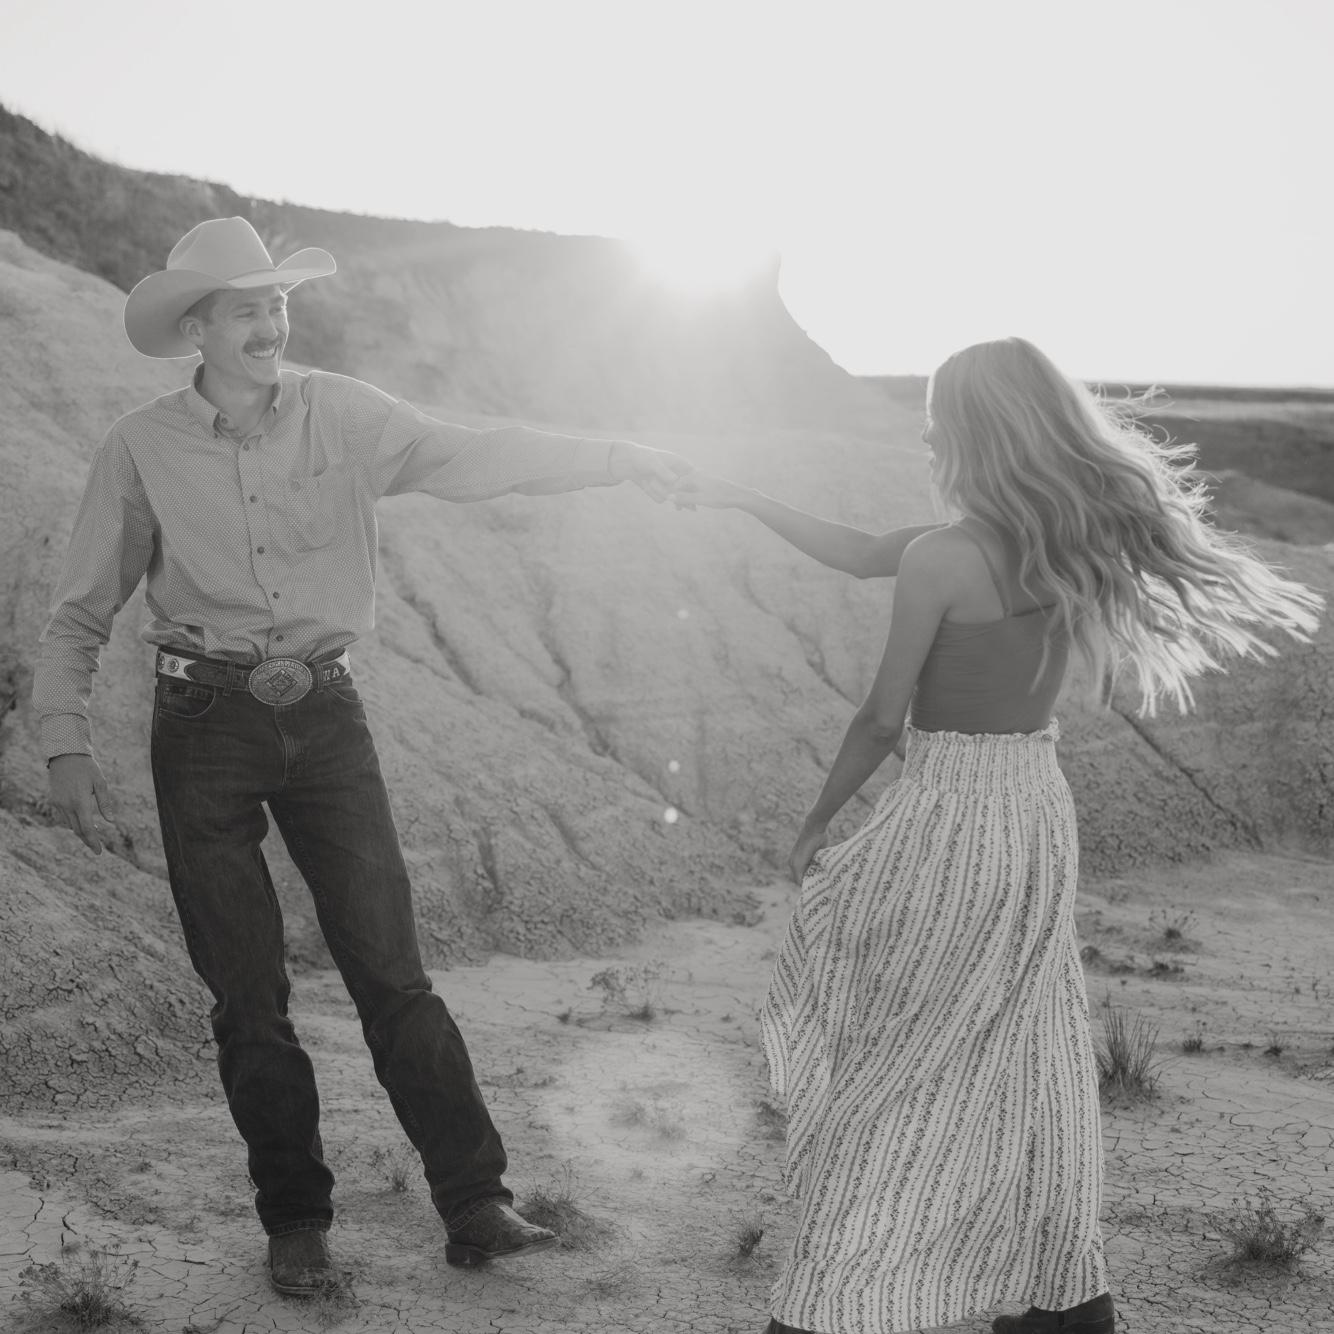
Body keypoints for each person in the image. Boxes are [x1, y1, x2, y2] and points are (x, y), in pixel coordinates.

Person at [33, 216, 692, 1297]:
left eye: (277, 305)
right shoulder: (139, 446)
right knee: (247, 993)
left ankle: (474, 1201)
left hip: (327, 716)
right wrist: (64, 742)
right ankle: (295, 1220)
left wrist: (615, 458)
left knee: (392, 970)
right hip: (202, 723)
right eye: (244, 310)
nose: (269, 325)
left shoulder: (344, 412)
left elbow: (476, 452)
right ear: (197, 328)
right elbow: (80, 609)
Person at [672, 336, 1321, 1334]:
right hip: (1034, 812)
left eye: (938, 422)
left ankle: (831, 1305)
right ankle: (1066, 1299)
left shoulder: (946, 556)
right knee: (1030, 1050)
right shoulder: (1062, 540)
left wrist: (815, 822)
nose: (928, 437)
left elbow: (880, 718)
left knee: (897, 1059)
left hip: (949, 818)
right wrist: (737, 496)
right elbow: (858, 548)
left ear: (970, 433)